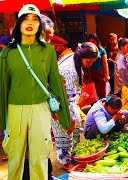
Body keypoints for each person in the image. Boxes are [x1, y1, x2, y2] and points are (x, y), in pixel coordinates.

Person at [0, 4, 71, 179]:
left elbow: (55, 83)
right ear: (18, 24)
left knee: (40, 155)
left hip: (41, 109)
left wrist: (65, 117)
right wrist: (2, 122)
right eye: (25, 19)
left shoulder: (48, 52)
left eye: (34, 19)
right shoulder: (8, 53)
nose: (30, 23)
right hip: (15, 109)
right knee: (16, 157)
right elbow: (3, 88)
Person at [53, 42, 99, 172]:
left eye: (92, 62)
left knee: (76, 128)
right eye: (89, 61)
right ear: (81, 57)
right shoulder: (69, 71)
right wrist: (71, 119)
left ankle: (72, 155)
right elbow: (67, 100)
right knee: (65, 132)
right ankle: (66, 162)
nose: (90, 64)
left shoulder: (75, 59)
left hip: (68, 103)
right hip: (60, 106)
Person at [88, 34, 110, 99]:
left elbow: (105, 63)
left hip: (100, 73)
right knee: (92, 90)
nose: (92, 43)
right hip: (90, 73)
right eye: (90, 41)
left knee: (101, 91)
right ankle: (94, 106)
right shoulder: (87, 51)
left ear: (97, 41)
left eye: (93, 41)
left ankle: (102, 103)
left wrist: (107, 75)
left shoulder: (101, 50)